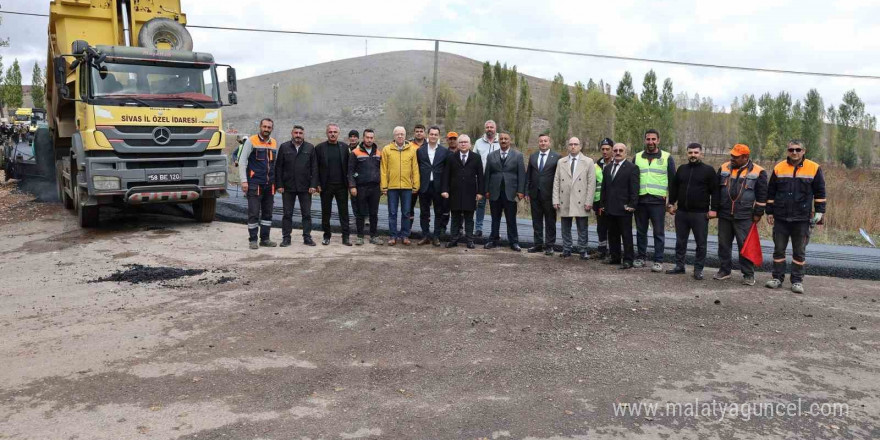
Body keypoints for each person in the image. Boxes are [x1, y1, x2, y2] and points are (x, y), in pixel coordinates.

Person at [765, 140, 827, 294]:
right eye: (791, 149)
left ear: (803, 151)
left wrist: (820, 211)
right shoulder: (779, 167)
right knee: (779, 250)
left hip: (802, 218)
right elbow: (771, 191)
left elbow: (820, 192)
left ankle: (797, 281)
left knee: (799, 251)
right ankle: (777, 278)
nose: (794, 152)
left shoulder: (814, 168)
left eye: (798, 149)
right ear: (787, 151)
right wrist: (769, 211)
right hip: (781, 217)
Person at [714, 144, 768, 286]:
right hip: (724, 214)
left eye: (736, 157)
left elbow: (762, 196)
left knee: (745, 246)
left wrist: (758, 213)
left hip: (745, 216)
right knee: (723, 245)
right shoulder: (724, 167)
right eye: (732, 155)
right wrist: (715, 209)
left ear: (745, 157)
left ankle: (748, 275)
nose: (732, 158)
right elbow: (716, 191)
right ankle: (725, 271)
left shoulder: (759, 172)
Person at [666, 142, 718, 280]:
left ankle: (698, 269)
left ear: (701, 153)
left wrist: (714, 210)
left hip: (700, 214)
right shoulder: (682, 169)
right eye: (690, 152)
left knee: (701, 243)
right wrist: (671, 203)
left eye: (696, 152)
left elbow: (716, 192)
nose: (693, 155)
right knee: (680, 241)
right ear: (687, 153)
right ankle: (679, 266)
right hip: (682, 212)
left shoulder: (708, 170)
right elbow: (675, 188)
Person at [633, 129, 676, 272]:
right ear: (644, 140)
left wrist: (671, 202)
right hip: (641, 201)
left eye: (653, 139)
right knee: (641, 232)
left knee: (658, 233)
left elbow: (672, 181)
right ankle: (641, 257)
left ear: (658, 140)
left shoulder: (667, 157)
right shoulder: (637, 157)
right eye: (648, 139)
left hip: (658, 202)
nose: (650, 142)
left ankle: (658, 261)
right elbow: (632, 180)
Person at [238, 118, 278, 249]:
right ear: (260, 127)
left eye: (269, 127)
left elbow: (274, 164)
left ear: (272, 129)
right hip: (255, 183)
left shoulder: (273, 143)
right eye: (264, 127)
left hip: (269, 185)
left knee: (267, 213)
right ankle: (253, 240)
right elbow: (242, 161)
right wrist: (244, 181)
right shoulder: (251, 141)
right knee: (254, 212)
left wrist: (276, 182)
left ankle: (265, 239)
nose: (266, 129)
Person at [275, 125, 318, 247]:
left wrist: (313, 184)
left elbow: (314, 168)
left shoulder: (310, 148)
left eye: (300, 133)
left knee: (307, 214)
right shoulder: (284, 147)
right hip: (288, 187)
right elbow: (279, 167)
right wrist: (279, 184)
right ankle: (286, 238)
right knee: (287, 214)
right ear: (292, 133)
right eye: (296, 133)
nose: (298, 135)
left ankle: (307, 237)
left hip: (305, 187)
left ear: (303, 134)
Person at [553, 137, 595, 259]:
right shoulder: (561, 162)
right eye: (570, 144)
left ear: (580, 146)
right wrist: (555, 199)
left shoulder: (588, 161)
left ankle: (582, 250)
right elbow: (556, 182)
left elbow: (591, 184)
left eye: (575, 144)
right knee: (565, 226)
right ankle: (567, 249)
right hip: (564, 198)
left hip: (581, 199)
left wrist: (589, 201)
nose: (573, 146)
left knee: (582, 227)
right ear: (567, 146)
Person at [484, 131, 526, 251]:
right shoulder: (491, 155)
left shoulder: (518, 155)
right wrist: (486, 190)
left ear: (510, 140)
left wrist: (520, 190)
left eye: (506, 139)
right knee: (495, 218)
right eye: (501, 139)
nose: (503, 141)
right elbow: (487, 174)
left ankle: (514, 242)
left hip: (511, 192)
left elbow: (521, 175)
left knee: (511, 219)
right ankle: (493, 240)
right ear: (499, 140)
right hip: (494, 191)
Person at [600, 143, 639, 269]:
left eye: (620, 150)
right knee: (612, 234)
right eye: (615, 150)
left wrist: (632, 204)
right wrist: (603, 204)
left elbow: (634, 189)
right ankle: (615, 257)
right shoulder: (607, 168)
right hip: (610, 207)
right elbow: (604, 188)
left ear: (625, 153)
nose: (617, 152)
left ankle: (628, 259)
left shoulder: (632, 168)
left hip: (624, 208)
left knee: (626, 235)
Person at [442, 134, 484, 249]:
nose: (463, 144)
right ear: (458, 144)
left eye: (466, 142)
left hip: (470, 193)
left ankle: (470, 240)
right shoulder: (451, 157)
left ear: (470, 144)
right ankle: (454, 240)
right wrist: (445, 190)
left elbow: (480, 176)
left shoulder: (476, 158)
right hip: (454, 192)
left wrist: (480, 192)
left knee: (469, 218)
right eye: (461, 142)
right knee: (455, 217)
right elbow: (446, 175)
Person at [381, 126, 420, 245]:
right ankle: (393, 236)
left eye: (402, 134)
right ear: (394, 136)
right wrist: (384, 186)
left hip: (407, 187)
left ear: (405, 135)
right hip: (392, 187)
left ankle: (405, 236)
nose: (400, 136)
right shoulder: (387, 149)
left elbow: (415, 168)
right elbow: (383, 169)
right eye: (397, 134)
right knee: (392, 212)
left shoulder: (412, 150)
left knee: (406, 212)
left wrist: (416, 185)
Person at [315, 123, 352, 246]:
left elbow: (349, 167)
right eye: (330, 132)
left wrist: (350, 184)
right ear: (327, 133)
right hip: (326, 186)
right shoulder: (319, 148)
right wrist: (317, 183)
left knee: (344, 212)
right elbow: (315, 168)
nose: (332, 134)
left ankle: (346, 237)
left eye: (335, 132)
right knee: (326, 213)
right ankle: (326, 236)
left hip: (342, 186)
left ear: (338, 134)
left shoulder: (344, 147)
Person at [525, 133, 561, 255]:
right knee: (536, 221)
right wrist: (526, 192)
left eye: (545, 141)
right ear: (538, 143)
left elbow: (559, 178)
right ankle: (538, 244)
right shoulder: (533, 156)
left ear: (549, 142)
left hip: (550, 195)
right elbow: (528, 175)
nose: (543, 143)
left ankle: (550, 246)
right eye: (541, 141)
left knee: (550, 221)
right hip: (534, 194)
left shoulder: (556, 157)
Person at [349, 128, 384, 246]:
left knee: (374, 213)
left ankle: (373, 236)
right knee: (360, 213)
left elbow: (382, 171)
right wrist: (353, 186)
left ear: (374, 138)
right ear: (363, 138)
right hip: (361, 187)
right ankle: (360, 236)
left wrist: (383, 186)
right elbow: (350, 171)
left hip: (375, 188)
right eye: (367, 137)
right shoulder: (356, 152)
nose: (369, 140)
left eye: (371, 137)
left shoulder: (379, 153)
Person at [416, 126, 451, 246]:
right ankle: (425, 235)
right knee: (424, 212)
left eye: (436, 134)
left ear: (439, 136)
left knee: (438, 212)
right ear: (427, 135)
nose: (433, 136)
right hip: (424, 186)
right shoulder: (420, 150)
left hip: (438, 186)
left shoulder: (444, 151)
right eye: (431, 134)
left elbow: (447, 171)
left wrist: (445, 188)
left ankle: (436, 236)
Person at [472, 120, 500, 237]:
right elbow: (473, 159)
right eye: (487, 127)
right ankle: (478, 228)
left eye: (491, 127)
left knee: (496, 205)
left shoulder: (501, 142)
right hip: (481, 178)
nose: (489, 129)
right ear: (485, 129)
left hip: (496, 179)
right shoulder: (478, 142)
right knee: (481, 204)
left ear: (495, 128)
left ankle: (495, 231)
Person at [591, 137, 614, 259]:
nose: (605, 151)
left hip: (614, 202)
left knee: (613, 227)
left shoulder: (617, 163)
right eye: (603, 149)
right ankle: (601, 250)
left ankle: (613, 252)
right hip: (599, 201)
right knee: (601, 227)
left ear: (612, 149)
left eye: (607, 149)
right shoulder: (595, 166)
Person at [407, 124, 428, 223]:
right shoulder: (408, 145)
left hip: (425, 181)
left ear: (424, 133)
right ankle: (408, 231)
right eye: (417, 131)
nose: (419, 133)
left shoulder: (429, 145)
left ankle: (425, 233)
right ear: (414, 133)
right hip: (411, 181)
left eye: (421, 131)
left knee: (425, 208)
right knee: (409, 207)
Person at [347, 129, 361, 230]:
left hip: (361, 177)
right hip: (350, 177)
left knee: (363, 199)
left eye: (355, 136)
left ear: (358, 138)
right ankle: (357, 217)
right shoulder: (345, 149)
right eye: (351, 136)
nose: (353, 138)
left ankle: (365, 217)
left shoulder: (362, 148)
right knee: (353, 198)